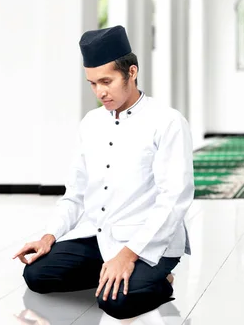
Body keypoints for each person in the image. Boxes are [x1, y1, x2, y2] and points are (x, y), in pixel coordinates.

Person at [12, 25, 195, 320]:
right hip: (98, 237)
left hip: (149, 243)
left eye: (106, 81)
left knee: (116, 304)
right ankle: (110, 276)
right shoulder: (91, 123)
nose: (100, 92)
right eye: (93, 83)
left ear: (131, 72)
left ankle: (159, 280)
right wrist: (50, 235)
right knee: (36, 275)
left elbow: (174, 199)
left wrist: (127, 255)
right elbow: (75, 194)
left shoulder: (167, 121)